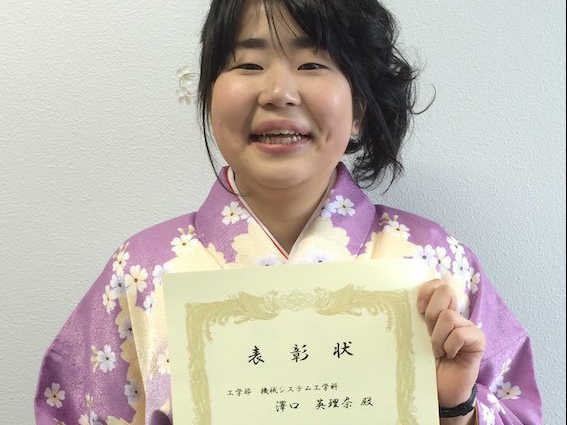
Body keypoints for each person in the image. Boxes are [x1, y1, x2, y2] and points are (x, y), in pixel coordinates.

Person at [35, 0, 542, 424]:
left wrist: (456, 409)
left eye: (313, 64)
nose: (278, 92)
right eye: (248, 64)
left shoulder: (436, 263)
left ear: (360, 109)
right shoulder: (141, 271)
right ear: (209, 97)